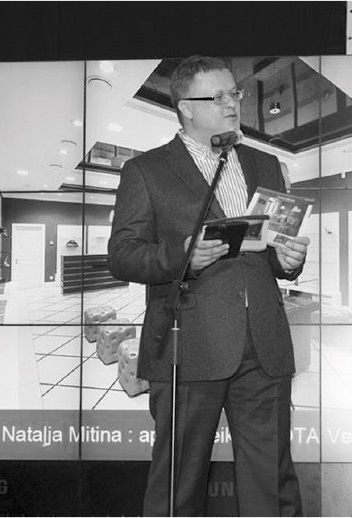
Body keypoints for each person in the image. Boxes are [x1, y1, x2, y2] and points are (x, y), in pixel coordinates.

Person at [108, 55, 308, 517]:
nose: (232, 103)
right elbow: (122, 255)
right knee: (178, 483)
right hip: (188, 347)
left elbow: (273, 249)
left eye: (234, 93)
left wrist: (288, 261)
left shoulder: (265, 164)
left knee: (272, 482)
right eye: (217, 96)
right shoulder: (146, 171)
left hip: (263, 344)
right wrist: (182, 255)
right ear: (186, 108)